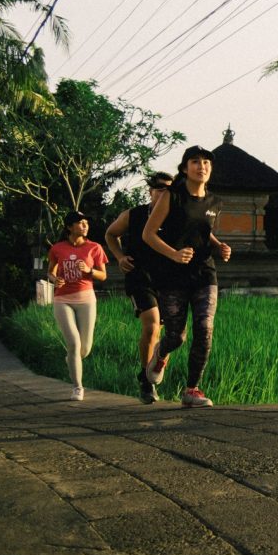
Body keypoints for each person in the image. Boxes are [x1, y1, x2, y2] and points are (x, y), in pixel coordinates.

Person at [142, 146, 231, 408]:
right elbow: (149, 234)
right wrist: (173, 254)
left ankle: (192, 389)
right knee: (176, 336)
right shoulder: (172, 196)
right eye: (195, 162)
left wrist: (219, 246)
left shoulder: (215, 202)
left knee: (205, 329)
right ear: (184, 168)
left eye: (206, 162)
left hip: (204, 272)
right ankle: (160, 354)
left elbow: (202, 230)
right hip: (172, 275)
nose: (201, 166)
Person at [104, 172, 173, 404]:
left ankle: (155, 369)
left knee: (169, 334)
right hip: (139, 277)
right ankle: (145, 379)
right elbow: (111, 234)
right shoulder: (133, 215)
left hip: (168, 280)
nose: (164, 193)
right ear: (151, 191)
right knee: (152, 326)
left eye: (169, 190)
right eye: (160, 188)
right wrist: (119, 257)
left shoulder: (176, 217)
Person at [47, 210, 109, 401]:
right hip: (62, 299)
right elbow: (50, 272)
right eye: (81, 223)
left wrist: (89, 270)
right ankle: (77, 387)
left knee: (85, 349)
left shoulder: (95, 248)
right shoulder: (57, 248)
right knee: (73, 343)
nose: (85, 226)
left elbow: (103, 275)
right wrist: (54, 280)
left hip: (86, 299)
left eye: (86, 223)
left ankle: (71, 360)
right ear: (69, 227)